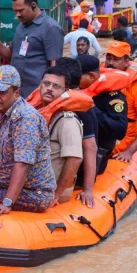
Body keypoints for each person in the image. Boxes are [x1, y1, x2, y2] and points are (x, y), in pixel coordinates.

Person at [0, 66, 55, 214]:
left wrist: (7, 202)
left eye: (1, 93)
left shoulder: (26, 118)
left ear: (16, 93)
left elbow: (23, 163)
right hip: (0, 181)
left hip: (32, 192)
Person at [27, 66, 91, 204]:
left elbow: (75, 159)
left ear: (65, 91)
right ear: (40, 85)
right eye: (46, 84)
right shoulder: (37, 112)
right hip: (35, 182)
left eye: (56, 86)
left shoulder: (67, 121)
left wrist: (56, 194)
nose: (49, 88)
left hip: (51, 189)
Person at [0, 0, 64, 98]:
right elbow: (10, 55)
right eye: (15, 11)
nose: (18, 15)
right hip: (17, 92)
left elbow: (55, 66)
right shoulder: (22, 25)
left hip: (36, 95)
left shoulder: (50, 28)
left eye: (21, 10)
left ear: (34, 5)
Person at [55, 57, 98, 208]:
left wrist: (88, 189)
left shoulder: (79, 107)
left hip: (74, 175)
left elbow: (91, 147)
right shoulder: (66, 100)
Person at [76, 55, 128, 175]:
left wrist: (92, 108)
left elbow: (120, 130)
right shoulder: (75, 90)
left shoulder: (114, 97)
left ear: (91, 76)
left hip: (97, 152)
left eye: (77, 77)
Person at [105, 41, 137, 164]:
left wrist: (129, 152)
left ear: (126, 62)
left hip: (121, 150)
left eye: (116, 59)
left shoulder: (135, 88)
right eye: (108, 58)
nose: (110, 63)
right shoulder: (99, 80)